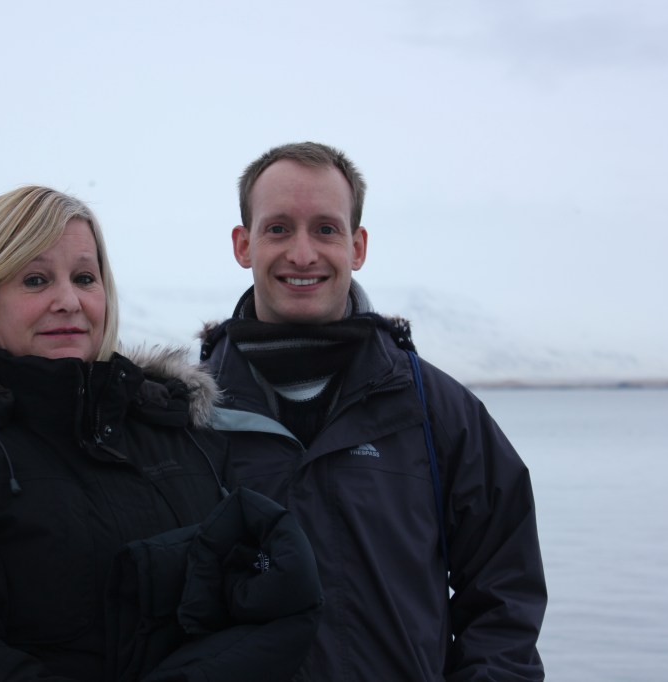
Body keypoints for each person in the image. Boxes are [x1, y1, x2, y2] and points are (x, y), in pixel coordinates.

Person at [0, 186, 322, 681]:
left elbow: (265, 603)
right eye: (36, 280)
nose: (68, 301)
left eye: (85, 278)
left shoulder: (183, 433)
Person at [199, 142, 547, 681]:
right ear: (243, 245)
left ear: (357, 246)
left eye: (326, 229)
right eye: (278, 229)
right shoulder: (189, 415)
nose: (302, 254)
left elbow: (505, 590)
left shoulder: (436, 411)